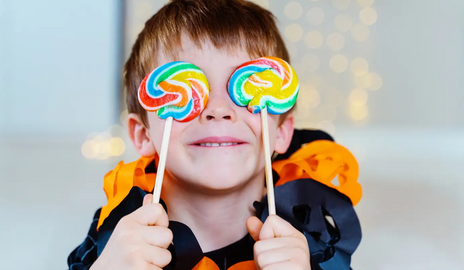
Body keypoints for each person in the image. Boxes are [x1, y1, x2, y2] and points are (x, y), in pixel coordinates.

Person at [68, 0, 362, 269]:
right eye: (187, 88)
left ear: (282, 132)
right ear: (143, 134)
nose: (218, 109)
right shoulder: (119, 239)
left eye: (247, 89)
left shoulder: (313, 239)